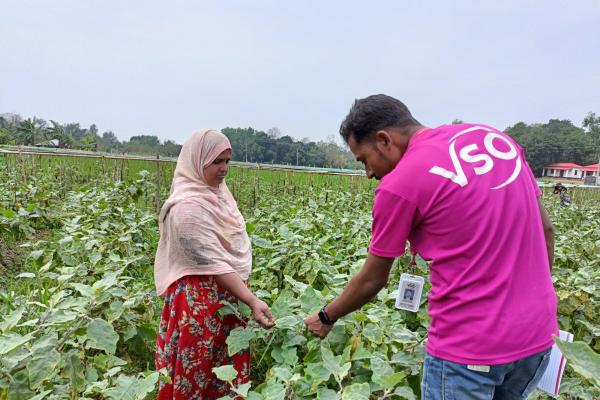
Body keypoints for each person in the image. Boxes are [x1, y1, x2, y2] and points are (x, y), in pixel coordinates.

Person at [304, 95, 558, 400]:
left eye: (364, 160)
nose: (368, 173)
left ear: (384, 140)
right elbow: (546, 230)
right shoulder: (493, 140)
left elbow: (373, 278)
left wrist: (326, 316)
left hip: (469, 350)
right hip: (537, 338)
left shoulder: (399, 184)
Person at [154, 129, 274, 400]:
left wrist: (243, 298)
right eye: (217, 162)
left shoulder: (219, 197)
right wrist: (252, 300)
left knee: (226, 373)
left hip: (228, 300)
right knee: (197, 371)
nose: (224, 169)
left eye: (227, 161)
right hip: (198, 307)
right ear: (197, 162)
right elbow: (214, 264)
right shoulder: (186, 209)